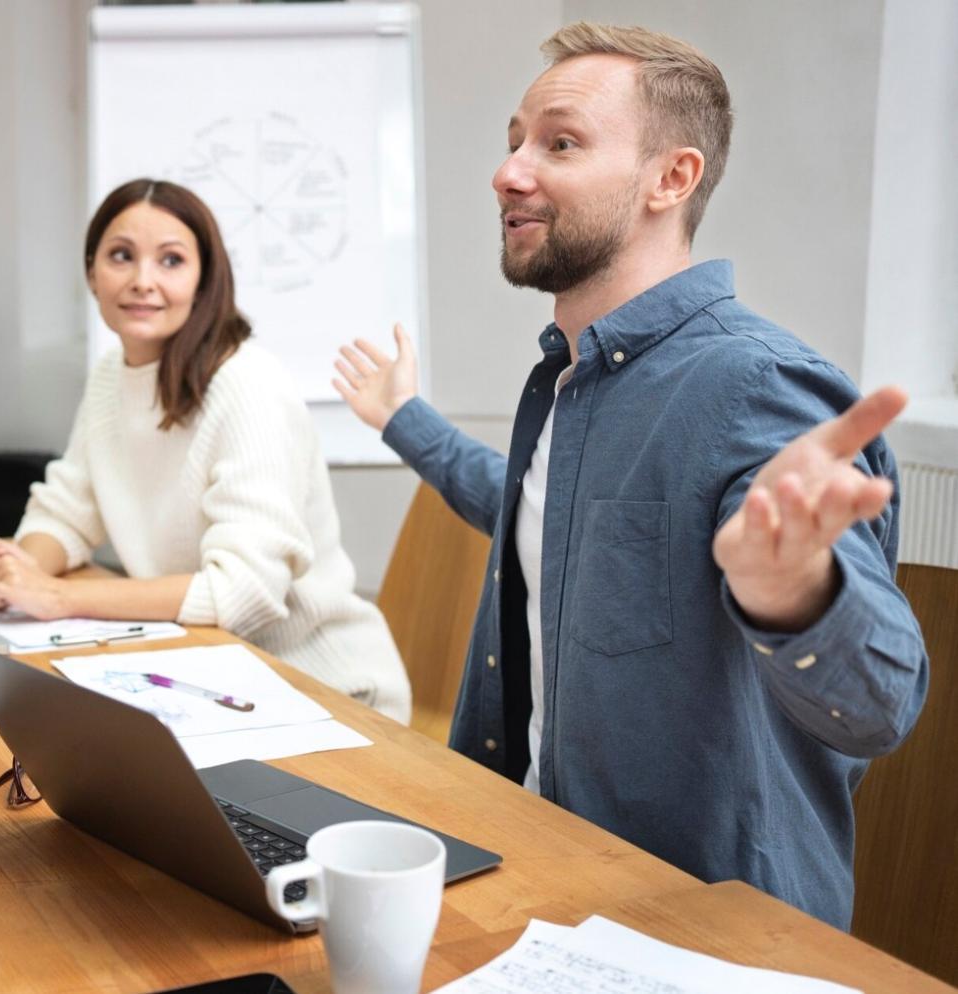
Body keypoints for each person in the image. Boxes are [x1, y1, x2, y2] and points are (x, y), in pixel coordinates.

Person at [333, 24, 927, 927]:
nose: (509, 172)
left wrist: (795, 594)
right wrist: (402, 420)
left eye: (560, 143)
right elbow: (537, 515)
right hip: (534, 867)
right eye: (514, 142)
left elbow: (881, 706)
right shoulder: (572, 377)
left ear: (672, 179)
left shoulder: (758, 388)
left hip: (697, 930)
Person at [0, 178, 411, 722]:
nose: (142, 281)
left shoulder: (248, 384)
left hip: (321, 687)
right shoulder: (112, 374)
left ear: (205, 279)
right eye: (121, 256)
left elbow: (244, 593)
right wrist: (16, 573)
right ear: (91, 273)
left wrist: (58, 597)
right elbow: (66, 512)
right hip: (200, 672)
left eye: (171, 260)